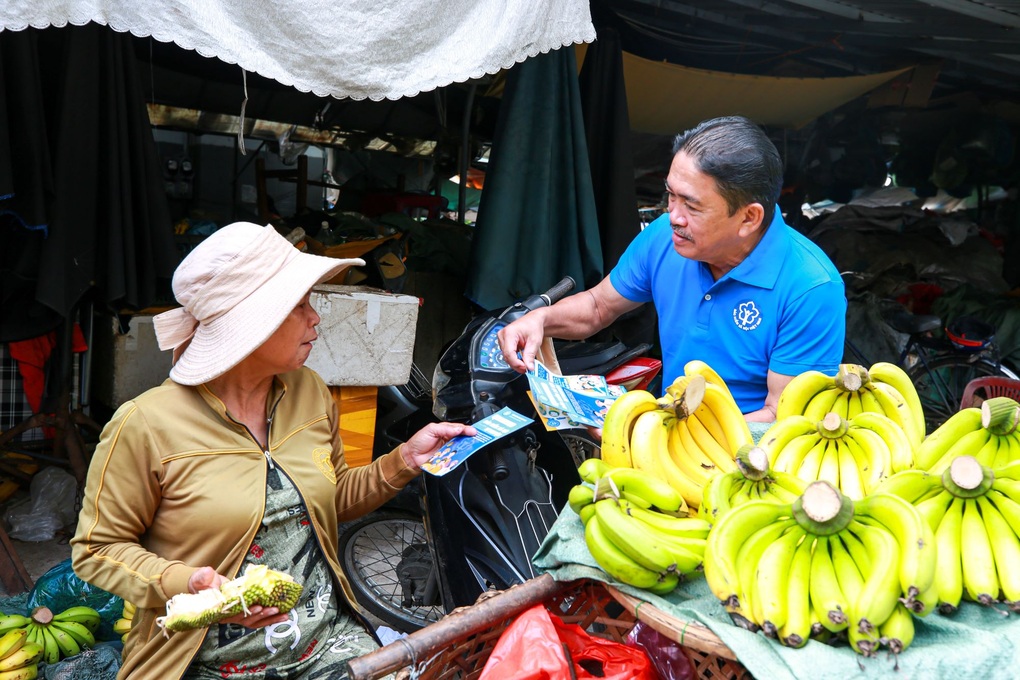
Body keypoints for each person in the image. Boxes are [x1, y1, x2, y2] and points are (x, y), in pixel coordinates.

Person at [71, 222, 475, 679]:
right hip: (204, 662)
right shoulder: (145, 424)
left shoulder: (310, 392)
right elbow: (97, 549)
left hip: (326, 643)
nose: (315, 318)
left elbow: (332, 499)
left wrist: (403, 461)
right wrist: (192, 585)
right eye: (300, 305)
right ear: (252, 322)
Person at [498, 116, 846, 422]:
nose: (673, 217)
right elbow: (597, 306)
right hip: (664, 434)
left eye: (692, 205)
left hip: (747, 465)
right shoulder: (663, 238)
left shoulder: (811, 288)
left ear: (748, 217)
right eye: (671, 196)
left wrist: (663, 433)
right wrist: (542, 320)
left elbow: (781, 416)